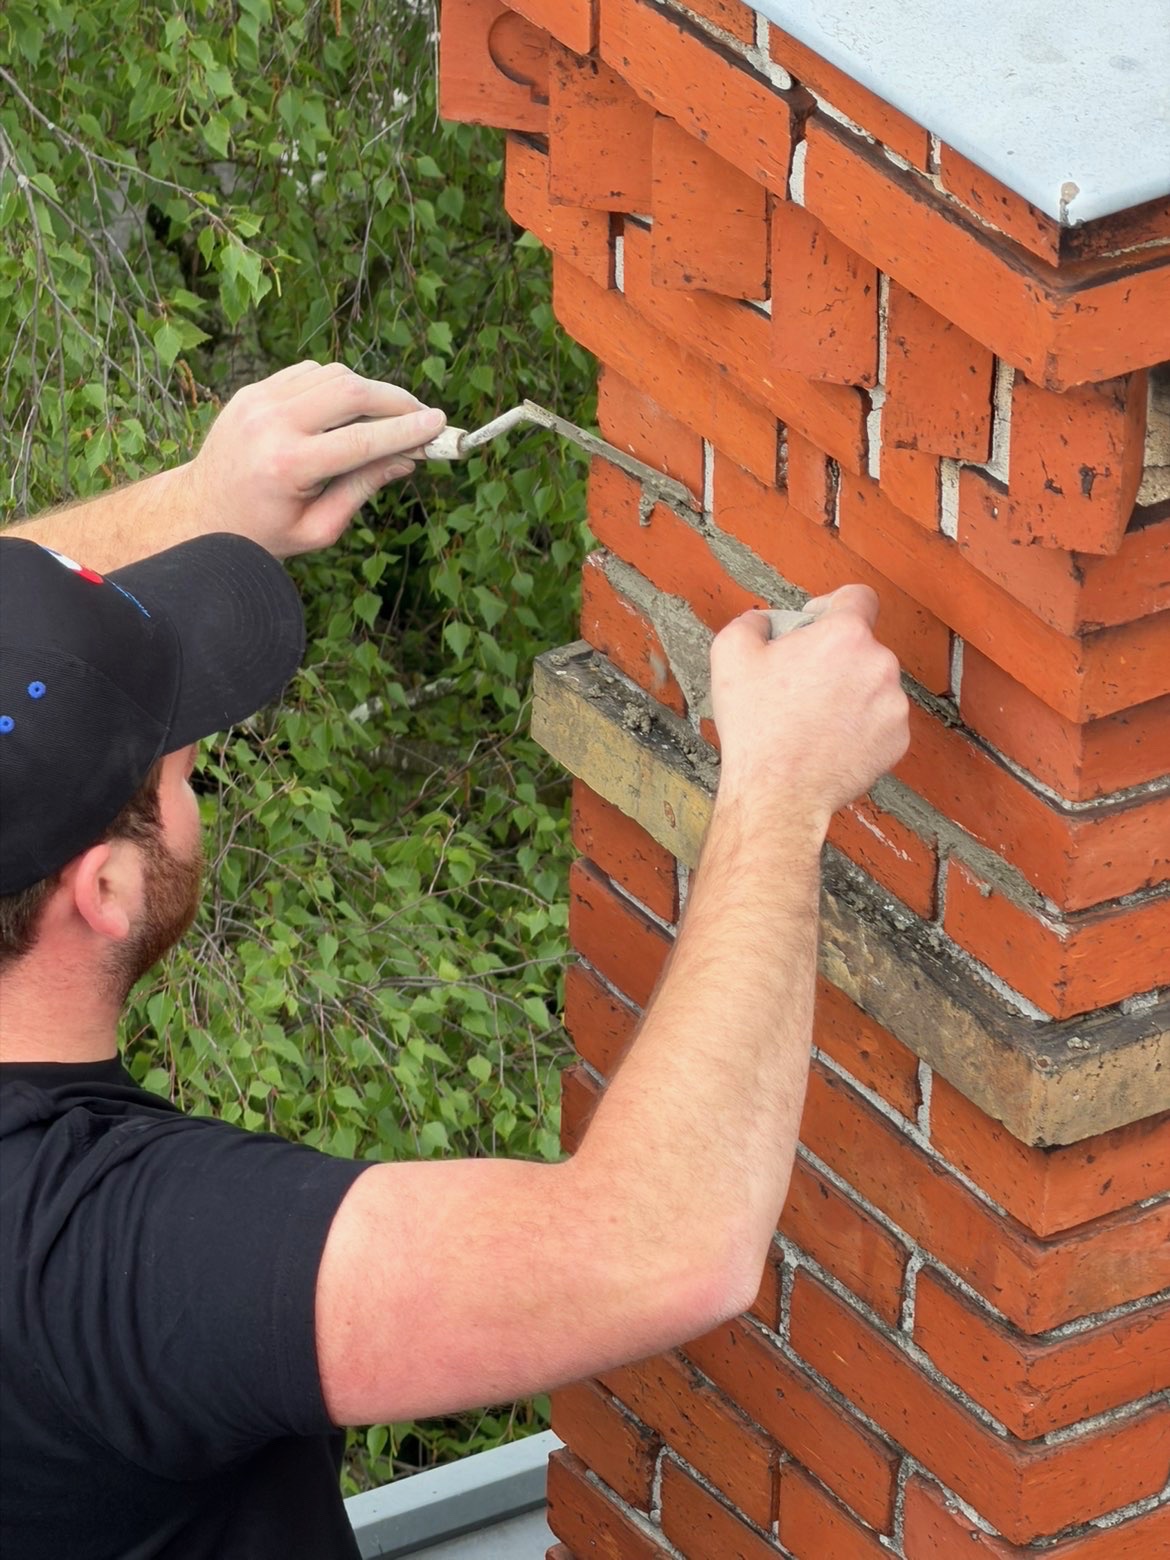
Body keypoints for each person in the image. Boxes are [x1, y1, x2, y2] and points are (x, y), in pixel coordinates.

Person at [0, 363, 909, 1559]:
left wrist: (199, 500)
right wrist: (783, 791)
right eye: (179, 768)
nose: (196, 768)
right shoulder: (102, 1263)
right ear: (103, 890)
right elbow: (657, 1251)